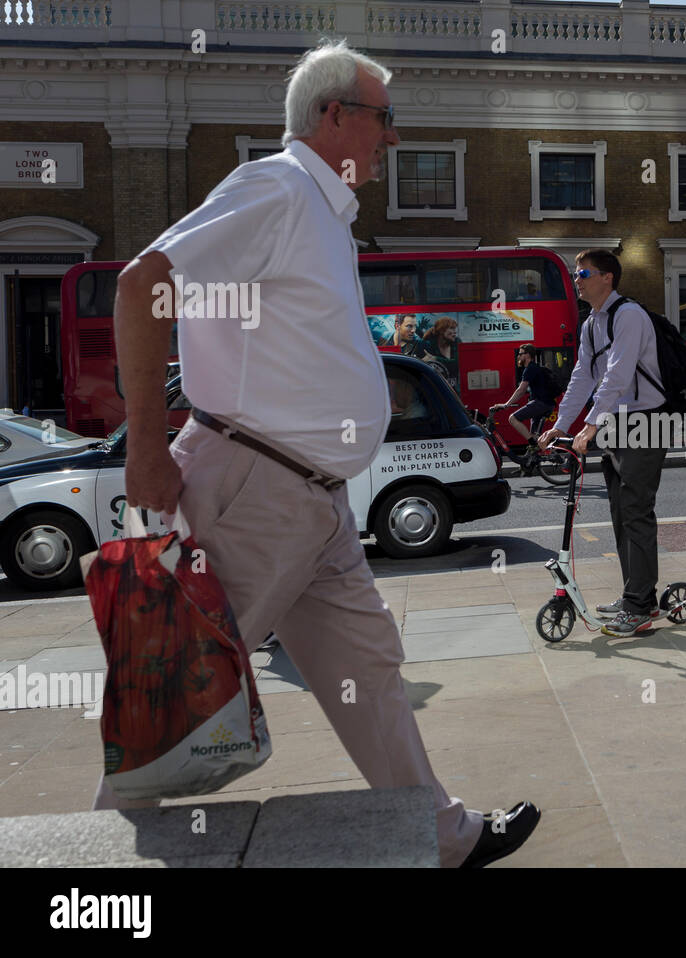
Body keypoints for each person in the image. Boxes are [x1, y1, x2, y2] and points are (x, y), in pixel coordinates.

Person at [107, 39, 538, 867]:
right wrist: (148, 445)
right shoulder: (276, 188)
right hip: (255, 491)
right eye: (384, 119)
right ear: (334, 115)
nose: (395, 139)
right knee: (182, 699)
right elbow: (141, 284)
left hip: (314, 501)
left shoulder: (323, 214)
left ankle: (444, 837)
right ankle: (94, 867)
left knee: (369, 667)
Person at [540, 248, 667, 638]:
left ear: (607, 277)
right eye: (577, 273)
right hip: (616, 421)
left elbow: (617, 375)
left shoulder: (628, 315)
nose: (577, 279)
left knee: (636, 511)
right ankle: (636, 595)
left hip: (645, 420)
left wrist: (590, 426)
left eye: (583, 272)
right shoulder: (592, 323)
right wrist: (561, 425)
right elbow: (582, 377)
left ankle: (640, 607)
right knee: (619, 511)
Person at [490, 344, 556, 444]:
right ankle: (540, 451)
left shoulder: (530, 369)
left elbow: (521, 390)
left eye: (520, 354)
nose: (518, 356)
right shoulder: (535, 367)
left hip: (541, 403)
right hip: (546, 404)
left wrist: (506, 404)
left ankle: (532, 443)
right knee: (535, 436)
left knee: (513, 418)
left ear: (527, 355)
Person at [429, 316, 459, 392]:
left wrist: (435, 359)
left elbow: (457, 363)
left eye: (455, 329)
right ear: (441, 330)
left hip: (455, 393)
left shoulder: (457, 343)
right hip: (436, 392)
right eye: (452, 328)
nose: (455, 332)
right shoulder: (429, 345)